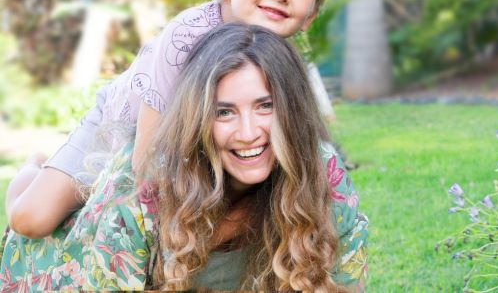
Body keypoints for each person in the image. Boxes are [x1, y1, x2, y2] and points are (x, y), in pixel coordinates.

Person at [6, 0, 339, 239]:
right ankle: (35, 168)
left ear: (309, 16)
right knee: (32, 220)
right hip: (119, 130)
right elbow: (144, 162)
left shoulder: (279, 62)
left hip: (187, 149)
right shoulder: (186, 38)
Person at [0, 24, 368, 291]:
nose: (248, 132)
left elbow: (346, 284)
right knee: (27, 214)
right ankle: (33, 168)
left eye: (265, 106)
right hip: (50, 269)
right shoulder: (143, 186)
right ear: (197, 119)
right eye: (224, 112)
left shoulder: (322, 173)